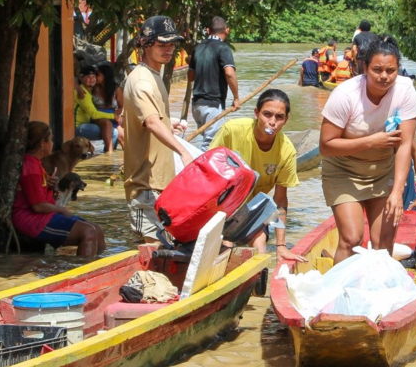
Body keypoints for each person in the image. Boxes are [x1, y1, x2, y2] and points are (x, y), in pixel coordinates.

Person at [319, 36, 416, 263]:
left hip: (383, 171)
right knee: (352, 238)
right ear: (365, 67)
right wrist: (370, 142)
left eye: (390, 71)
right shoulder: (345, 95)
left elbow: (405, 144)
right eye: (377, 69)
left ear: (398, 70)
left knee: (384, 244)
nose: (384, 76)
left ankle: (378, 293)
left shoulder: (405, 90)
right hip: (344, 170)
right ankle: (339, 293)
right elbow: (325, 146)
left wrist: (397, 192)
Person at [122, 15, 194, 243]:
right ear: (144, 44)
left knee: (164, 252)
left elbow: (144, 121)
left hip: (160, 186)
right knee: (153, 252)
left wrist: (167, 123)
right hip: (146, 187)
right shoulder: (142, 81)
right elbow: (151, 123)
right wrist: (184, 152)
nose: (169, 49)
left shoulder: (154, 76)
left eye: (172, 44)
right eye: (162, 44)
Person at [210, 89, 302, 262]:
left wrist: (281, 245)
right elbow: (208, 172)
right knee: (225, 247)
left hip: (252, 209)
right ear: (256, 113)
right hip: (221, 204)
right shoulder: (232, 130)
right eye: (267, 114)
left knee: (260, 246)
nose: (272, 122)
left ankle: (258, 280)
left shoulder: (286, 151)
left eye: (279, 117)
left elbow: (280, 200)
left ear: (286, 120)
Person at [12, 121, 106, 257]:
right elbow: (37, 206)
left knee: (97, 230)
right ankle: (83, 274)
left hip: (43, 216)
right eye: (50, 140)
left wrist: (52, 186)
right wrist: (62, 210)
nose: (52, 144)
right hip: (32, 219)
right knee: (88, 232)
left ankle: (102, 269)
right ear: (42, 143)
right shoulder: (31, 167)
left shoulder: (37, 164)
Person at [187, 16, 240, 149]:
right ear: (227, 30)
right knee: (211, 144)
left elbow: (190, 77)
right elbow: (229, 73)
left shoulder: (197, 48)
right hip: (213, 105)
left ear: (208, 30)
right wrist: (236, 98)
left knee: (208, 140)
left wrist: (195, 63)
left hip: (196, 106)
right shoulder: (223, 48)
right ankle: (201, 169)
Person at [75, 65, 118, 152]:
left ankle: (108, 153)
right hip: (79, 127)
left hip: (86, 124)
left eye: (93, 76)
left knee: (114, 131)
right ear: (81, 78)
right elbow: (94, 114)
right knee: (113, 133)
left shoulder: (89, 90)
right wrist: (114, 116)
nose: (91, 79)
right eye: (88, 77)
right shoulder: (82, 93)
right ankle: (109, 155)